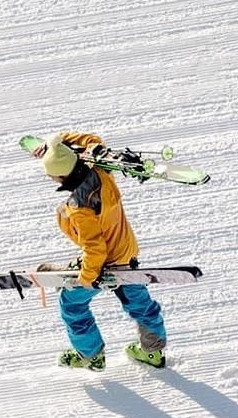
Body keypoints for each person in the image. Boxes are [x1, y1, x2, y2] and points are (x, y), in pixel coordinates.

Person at [34, 132, 168, 370]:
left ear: (62, 176)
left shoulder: (80, 207)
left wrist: (86, 279)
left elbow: (95, 249)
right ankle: (152, 352)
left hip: (105, 264)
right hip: (126, 254)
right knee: (139, 303)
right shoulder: (101, 170)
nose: (51, 178)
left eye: (51, 175)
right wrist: (57, 142)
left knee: (71, 304)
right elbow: (93, 140)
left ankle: (90, 355)